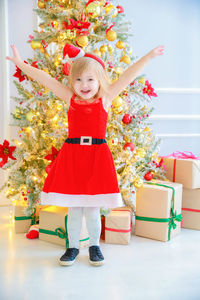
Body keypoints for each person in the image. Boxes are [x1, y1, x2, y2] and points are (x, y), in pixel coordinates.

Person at [6, 43, 164, 266]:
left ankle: (94, 247)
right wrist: (21, 64)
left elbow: (129, 75)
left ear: (100, 80)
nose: (84, 85)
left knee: (91, 209)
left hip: (96, 158)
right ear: (72, 82)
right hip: (73, 157)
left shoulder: (106, 99)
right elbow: (45, 79)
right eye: (78, 80)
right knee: (73, 209)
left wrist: (148, 55)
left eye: (90, 79)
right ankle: (71, 247)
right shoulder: (70, 98)